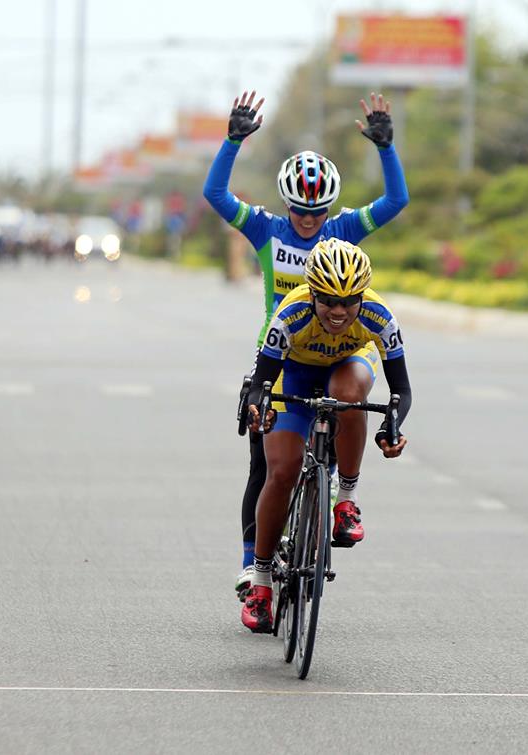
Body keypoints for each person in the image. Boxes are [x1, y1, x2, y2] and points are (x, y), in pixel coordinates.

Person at [202, 90, 409, 598]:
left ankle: (344, 497)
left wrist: (386, 147)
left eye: (317, 212)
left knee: (350, 396)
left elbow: (397, 202)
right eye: (300, 210)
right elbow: (216, 195)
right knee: (269, 469)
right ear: (288, 203)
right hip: (283, 352)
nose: (308, 220)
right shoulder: (266, 230)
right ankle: (255, 566)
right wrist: (232, 141)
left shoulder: (342, 231)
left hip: (342, 354)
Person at [240, 238, 412, 632]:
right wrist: (257, 406)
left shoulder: (379, 316)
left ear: (361, 296)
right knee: (281, 471)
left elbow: (402, 389)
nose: (338, 311)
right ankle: (262, 582)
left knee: (347, 393)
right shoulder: (292, 312)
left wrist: (392, 424)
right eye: (328, 301)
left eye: (348, 301)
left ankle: (346, 500)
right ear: (313, 294)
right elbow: (262, 381)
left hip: (348, 367)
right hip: (295, 371)